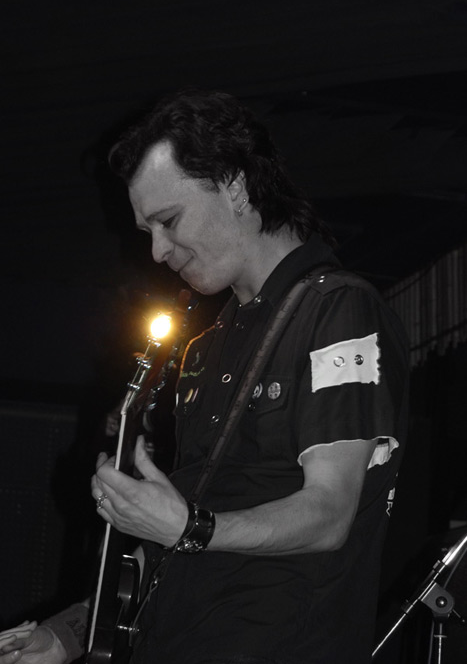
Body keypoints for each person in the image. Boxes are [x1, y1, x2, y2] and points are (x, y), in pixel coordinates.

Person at [0, 89, 409, 664]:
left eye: (168, 221)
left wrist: (189, 527)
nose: (157, 251)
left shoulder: (337, 308)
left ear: (235, 187)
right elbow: (179, 530)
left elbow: (328, 514)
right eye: (147, 231)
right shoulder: (204, 347)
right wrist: (69, 634)